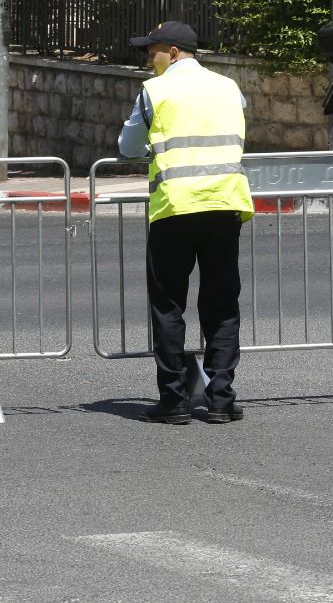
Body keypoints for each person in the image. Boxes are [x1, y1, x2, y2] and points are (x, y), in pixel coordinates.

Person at [117, 21, 253, 425]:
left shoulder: (155, 90)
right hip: (225, 205)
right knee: (222, 304)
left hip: (175, 208)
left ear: (173, 52)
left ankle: (174, 401)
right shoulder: (229, 87)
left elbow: (127, 147)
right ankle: (221, 400)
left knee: (169, 305)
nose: (148, 57)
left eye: (152, 50)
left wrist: (151, 146)